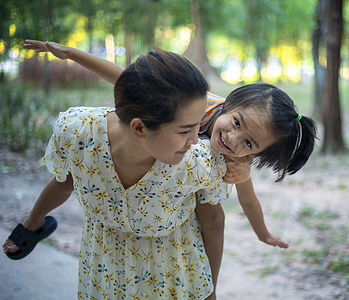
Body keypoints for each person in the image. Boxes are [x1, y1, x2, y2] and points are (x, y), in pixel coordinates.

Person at [19, 40, 318, 295]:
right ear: (230, 104)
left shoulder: (231, 160)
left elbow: (242, 202)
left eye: (250, 143)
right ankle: (33, 223)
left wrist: (262, 233)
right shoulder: (198, 104)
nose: (233, 138)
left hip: (173, 230)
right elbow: (126, 80)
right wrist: (71, 54)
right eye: (237, 123)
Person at [3, 48, 230, 299]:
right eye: (185, 130)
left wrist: (210, 290)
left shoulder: (196, 162)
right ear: (139, 127)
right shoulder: (78, 133)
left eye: (199, 125)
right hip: (103, 266)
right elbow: (64, 182)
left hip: (172, 273)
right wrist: (34, 220)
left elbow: (213, 221)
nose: (195, 139)